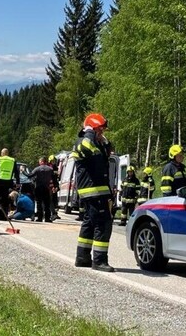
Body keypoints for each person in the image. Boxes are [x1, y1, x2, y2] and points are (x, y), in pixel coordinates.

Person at [73, 113, 115, 272]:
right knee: (103, 224)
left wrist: (105, 143)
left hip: (96, 191)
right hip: (94, 191)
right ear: (92, 129)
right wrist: (90, 132)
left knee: (89, 223)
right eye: (100, 131)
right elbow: (88, 147)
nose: (102, 134)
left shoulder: (96, 144)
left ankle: (82, 257)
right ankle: (99, 260)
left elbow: (104, 156)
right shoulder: (83, 142)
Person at [0, 148, 20, 220]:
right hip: (8, 182)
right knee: (5, 198)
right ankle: (4, 215)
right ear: (8, 153)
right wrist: (18, 182)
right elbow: (16, 172)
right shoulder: (13, 160)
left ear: (2, 153)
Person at [26, 156, 55, 222]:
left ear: (41, 161)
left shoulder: (37, 169)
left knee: (39, 203)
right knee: (47, 204)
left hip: (39, 188)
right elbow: (54, 179)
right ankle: (47, 218)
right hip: (46, 188)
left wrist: (23, 171)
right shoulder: (50, 169)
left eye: (39, 161)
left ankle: (40, 218)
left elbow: (29, 175)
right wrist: (55, 186)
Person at [48, 154, 60, 219]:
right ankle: (52, 213)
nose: (53, 162)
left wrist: (56, 186)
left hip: (53, 185)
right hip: (50, 186)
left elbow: (56, 178)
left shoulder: (55, 167)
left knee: (53, 200)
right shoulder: (49, 167)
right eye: (52, 160)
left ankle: (54, 213)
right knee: (51, 200)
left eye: (54, 160)